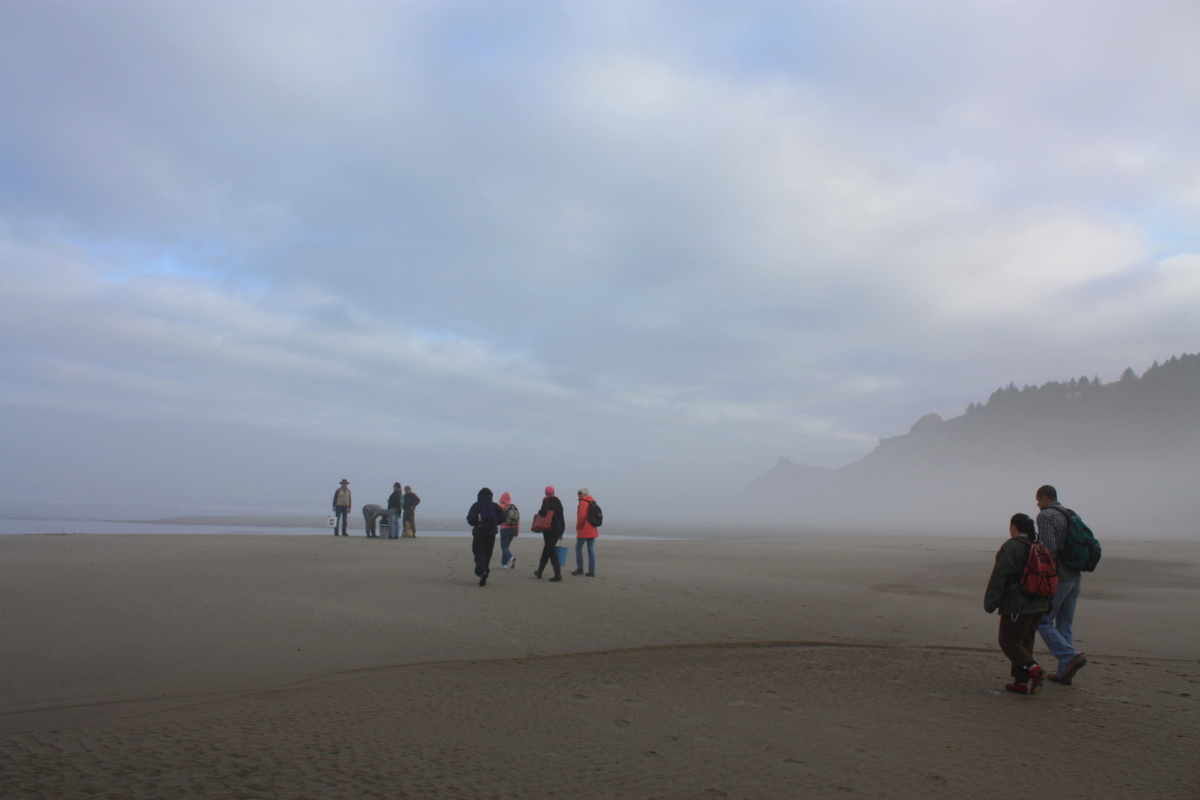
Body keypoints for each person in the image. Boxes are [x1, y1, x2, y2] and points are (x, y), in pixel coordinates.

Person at [984, 513, 1052, 695]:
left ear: (1014, 527)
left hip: (1018, 605)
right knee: (1025, 641)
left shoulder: (1012, 547)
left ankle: (1035, 671)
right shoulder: (1037, 546)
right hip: (1040, 603)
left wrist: (990, 602)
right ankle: (1021, 683)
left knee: (1009, 640)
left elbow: (1000, 576)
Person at [1035, 484, 1089, 685]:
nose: (1037, 504)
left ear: (1044, 497)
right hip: (1076, 576)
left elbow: (1049, 551)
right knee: (1065, 623)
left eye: (1038, 500)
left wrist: (1044, 579)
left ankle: (1070, 657)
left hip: (1059, 578)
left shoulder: (1046, 516)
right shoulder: (1071, 513)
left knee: (1043, 621)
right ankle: (1064, 671)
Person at [467, 488, 505, 586]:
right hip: (491, 534)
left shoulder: (476, 505)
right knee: (487, 554)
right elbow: (503, 517)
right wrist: (495, 523)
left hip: (479, 533)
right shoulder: (495, 506)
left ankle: (481, 571)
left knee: (478, 552)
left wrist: (477, 522)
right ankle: (485, 571)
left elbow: (470, 519)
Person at [534, 486, 565, 582]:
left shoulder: (546, 501)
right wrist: (561, 531)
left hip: (549, 529)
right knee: (547, 549)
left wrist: (539, 512)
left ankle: (558, 575)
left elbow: (543, 512)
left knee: (550, 550)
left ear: (546, 492)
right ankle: (539, 572)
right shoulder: (559, 502)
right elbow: (561, 517)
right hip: (557, 529)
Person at [572, 487, 599, 577]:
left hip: (584, 529)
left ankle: (580, 568)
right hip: (592, 528)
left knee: (578, 548)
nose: (578, 494)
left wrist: (578, 527)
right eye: (578, 493)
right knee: (590, 549)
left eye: (580, 493)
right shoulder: (592, 501)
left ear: (585, 494)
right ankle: (591, 570)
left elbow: (581, 516)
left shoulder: (583, 502)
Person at [497, 491, 519, 569]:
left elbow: (495, 511)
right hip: (513, 529)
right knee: (506, 547)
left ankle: (510, 558)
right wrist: (517, 532)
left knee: (503, 546)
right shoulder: (514, 507)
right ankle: (504, 564)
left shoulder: (502, 505)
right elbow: (517, 520)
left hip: (505, 529)